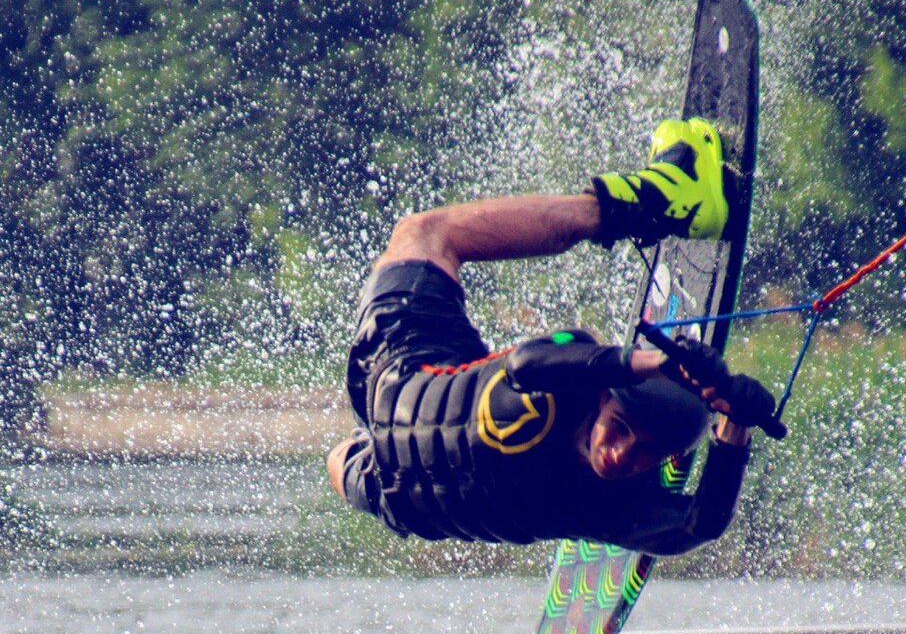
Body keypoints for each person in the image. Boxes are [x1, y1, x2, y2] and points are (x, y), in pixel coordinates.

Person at [326, 117, 777, 555]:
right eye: (620, 429)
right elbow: (525, 364)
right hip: (408, 369)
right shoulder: (551, 386)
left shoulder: (600, 508)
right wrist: (658, 364)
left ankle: (655, 197)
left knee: (345, 460)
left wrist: (735, 427)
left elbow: (698, 525)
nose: (621, 455)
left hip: (398, 485)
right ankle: (652, 200)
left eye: (646, 454)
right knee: (422, 234)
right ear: (602, 398)